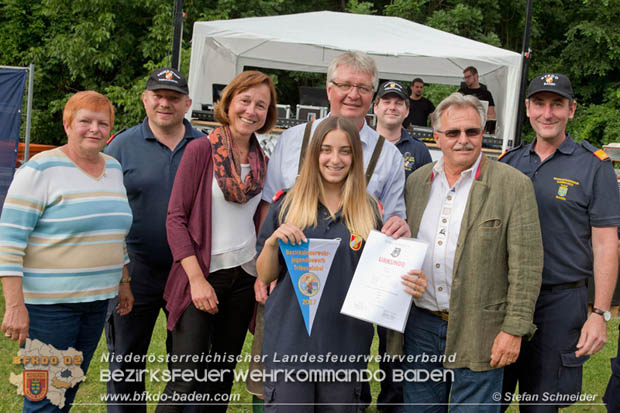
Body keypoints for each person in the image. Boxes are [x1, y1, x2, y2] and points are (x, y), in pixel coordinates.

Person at [256, 116, 427, 412]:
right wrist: (273, 243)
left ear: (355, 157)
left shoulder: (370, 211)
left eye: (345, 151)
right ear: (314, 155)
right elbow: (266, 275)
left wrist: (409, 281)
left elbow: (382, 277)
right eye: (326, 150)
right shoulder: (287, 205)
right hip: (291, 345)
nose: (335, 159)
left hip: (345, 347)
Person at [387, 92, 543, 412]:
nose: (464, 140)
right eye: (453, 133)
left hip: (481, 326)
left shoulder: (513, 185)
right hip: (422, 326)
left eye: (472, 131)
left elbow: (526, 266)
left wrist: (514, 329)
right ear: (437, 136)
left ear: (482, 133)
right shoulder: (417, 183)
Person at [0, 91, 133, 412]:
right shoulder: (39, 170)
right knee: (46, 397)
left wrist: (124, 282)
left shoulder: (113, 168)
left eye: (103, 123)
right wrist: (15, 306)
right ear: (67, 124)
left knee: (68, 387)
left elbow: (115, 233)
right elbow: (9, 241)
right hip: (50, 308)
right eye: (85, 121)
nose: (94, 129)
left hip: (97, 302)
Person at [156, 70, 276, 413]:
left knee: (220, 378)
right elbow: (175, 219)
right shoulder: (200, 150)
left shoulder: (262, 162)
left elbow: (262, 222)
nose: (251, 111)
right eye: (245, 101)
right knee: (185, 377)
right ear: (229, 102)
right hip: (202, 275)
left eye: (261, 106)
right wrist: (196, 281)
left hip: (244, 280)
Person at [500, 73, 620, 412]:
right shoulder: (510, 163)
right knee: (488, 397)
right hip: (507, 299)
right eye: (539, 104)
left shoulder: (593, 166)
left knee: (542, 406)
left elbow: (607, 244)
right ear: (527, 108)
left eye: (557, 105)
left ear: (572, 110)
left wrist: (599, 313)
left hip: (561, 302)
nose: (547, 113)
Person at [104, 67, 204, 412]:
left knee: (188, 362)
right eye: (158, 96)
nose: (165, 103)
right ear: (145, 99)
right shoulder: (121, 146)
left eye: (174, 98)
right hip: (136, 270)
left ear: (187, 103)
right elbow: (105, 212)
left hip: (189, 271)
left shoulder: (205, 145)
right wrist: (120, 274)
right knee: (126, 361)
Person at [374, 80, 432, 180]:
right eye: (387, 102)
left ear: (407, 111)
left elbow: (426, 191)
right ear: (375, 108)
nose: (392, 107)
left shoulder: (419, 150)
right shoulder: (359, 142)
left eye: (399, 103)